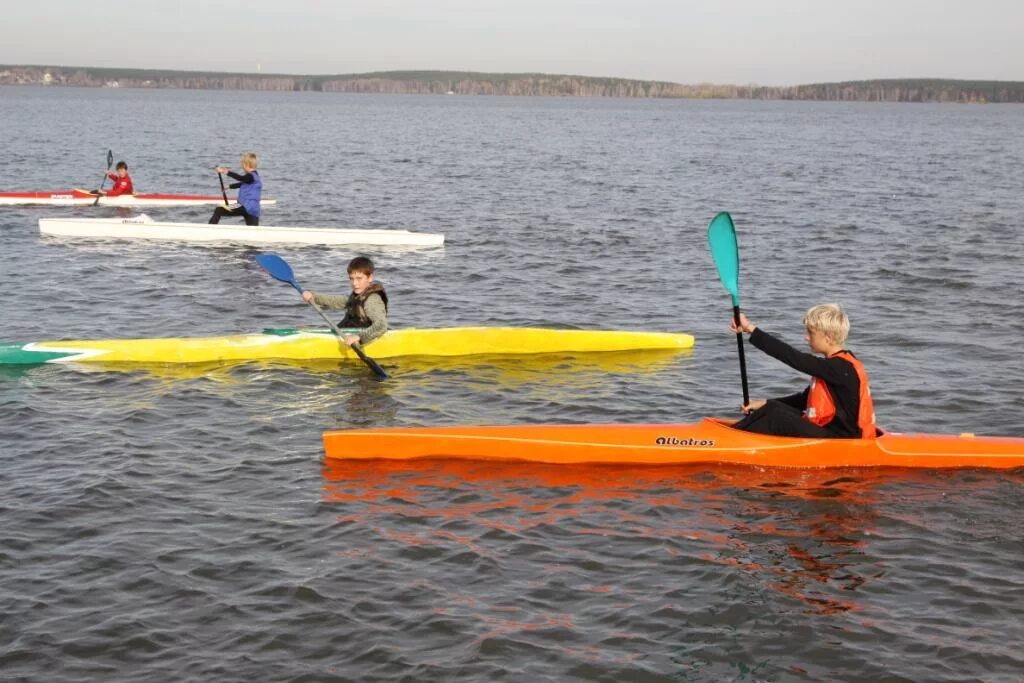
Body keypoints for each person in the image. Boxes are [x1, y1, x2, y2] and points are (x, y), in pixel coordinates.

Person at [729, 303, 876, 439]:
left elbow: (792, 357)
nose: (806, 337)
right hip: (830, 431)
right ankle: (731, 434)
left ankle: (729, 441)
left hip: (843, 441)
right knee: (773, 408)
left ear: (828, 338)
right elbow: (804, 400)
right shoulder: (835, 366)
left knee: (777, 417)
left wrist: (750, 328)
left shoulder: (840, 367)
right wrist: (765, 403)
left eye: (811, 333)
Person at [301, 256, 388, 347]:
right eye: (351, 278)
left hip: (362, 338)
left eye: (359, 278)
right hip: (347, 333)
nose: (354, 283)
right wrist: (314, 297)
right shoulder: (357, 296)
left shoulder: (372, 300)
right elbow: (338, 301)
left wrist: (359, 337)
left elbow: (381, 325)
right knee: (304, 328)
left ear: (370, 278)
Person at [209, 152, 262, 226]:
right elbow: (243, 183)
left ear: (246, 165)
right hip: (254, 210)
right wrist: (230, 186)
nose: (242, 166)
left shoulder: (250, 176)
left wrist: (225, 172)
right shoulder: (255, 177)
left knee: (219, 209)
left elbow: (241, 178)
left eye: (242, 164)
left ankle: (210, 229)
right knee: (254, 231)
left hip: (243, 206)